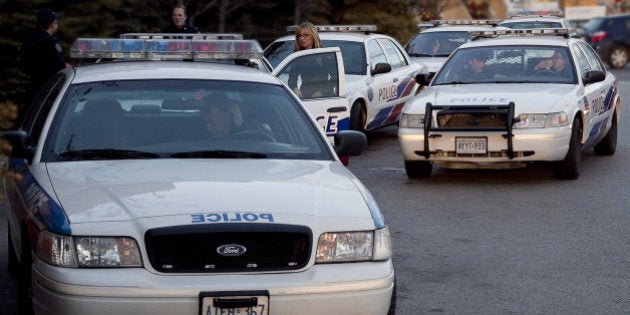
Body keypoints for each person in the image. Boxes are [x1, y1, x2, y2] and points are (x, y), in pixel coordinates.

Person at [21, 9, 67, 97]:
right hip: (50, 88)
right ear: (52, 24)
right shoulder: (50, 42)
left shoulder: (27, 41)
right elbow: (60, 67)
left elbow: (24, 66)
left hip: (32, 88)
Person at [288, 22, 334, 98]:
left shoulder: (324, 54)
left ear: (313, 36)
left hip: (325, 97)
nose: (302, 38)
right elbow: (292, 79)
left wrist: (321, 92)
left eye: (306, 35)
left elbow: (335, 79)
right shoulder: (298, 56)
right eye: (300, 35)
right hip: (305, 96)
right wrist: (295, 88)